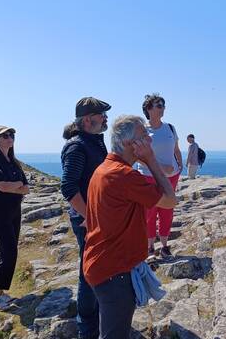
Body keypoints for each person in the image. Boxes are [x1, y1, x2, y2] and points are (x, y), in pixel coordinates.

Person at [83, 115, 177, 339]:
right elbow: (169, 200)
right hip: (114, 271)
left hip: (102, 264)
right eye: (144, 136)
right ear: (129, 144)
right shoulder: (123, 175)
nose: (149, 141)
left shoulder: (104, 168)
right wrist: (151, 160)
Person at [60, 97, 111, 339]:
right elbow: (69, 187)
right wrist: (89, 217)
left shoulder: (94, 141)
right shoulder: (77, 146)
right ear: (88, 119)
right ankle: (87, 327)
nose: (106, 118)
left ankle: (98, 316)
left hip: (96, 217)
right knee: (88, 270)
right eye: (102, 115)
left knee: (97, 268)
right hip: (87, 220)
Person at [0, 126, 29, 311]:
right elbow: (1, 186)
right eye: (6, 136)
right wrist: (16, 184)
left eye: (12, 135)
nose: (11, 138)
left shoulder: (13, 162)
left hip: (14, 211)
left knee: (6, 250)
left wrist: (15, 186)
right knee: (10, 252)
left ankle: (0, 292)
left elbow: (27, 188)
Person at [136, 93, 182, 260]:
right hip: (149, 176)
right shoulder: (141, 130)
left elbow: (176, 148)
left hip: (171, 175)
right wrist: (160, 167)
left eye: (163, 104)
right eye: (159, 105)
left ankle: (164, 246)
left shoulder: (170, 127)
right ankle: (149, 247)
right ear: (149, 109)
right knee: (149, 211)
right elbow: (138, 155)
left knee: (167, 210)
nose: (163, 107)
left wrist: (180, 163)